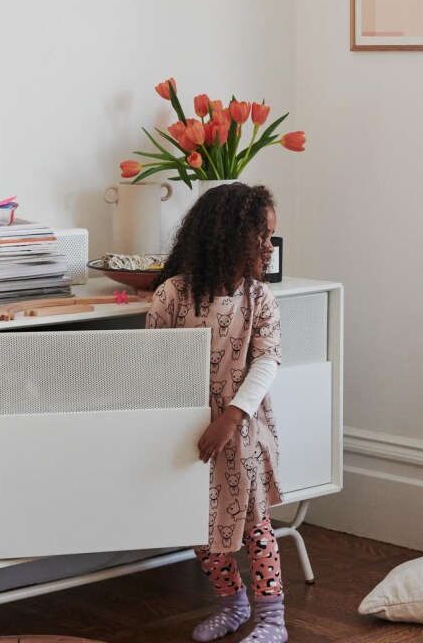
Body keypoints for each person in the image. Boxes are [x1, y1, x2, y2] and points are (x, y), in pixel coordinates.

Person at [147, 182, 287, 643]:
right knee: (199, 526)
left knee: (254, 526)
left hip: (243, 429)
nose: (270, 248)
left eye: (271, 237)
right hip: (189, 431)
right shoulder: (173, 295)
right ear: (227, 235)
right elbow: (154, 364)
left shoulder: (259, 299)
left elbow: (267, 360)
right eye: (261, 237)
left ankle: (272, 620)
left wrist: (232, 415)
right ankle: (232, 604)